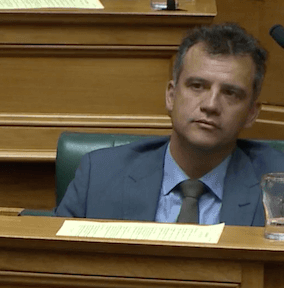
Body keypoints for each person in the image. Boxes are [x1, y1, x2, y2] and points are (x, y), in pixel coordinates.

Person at [56, 23, 284, 226]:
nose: (211, 105)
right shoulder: (100, 176)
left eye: (231, 93)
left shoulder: (279, 185)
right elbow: (55, 265)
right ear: (171, 96)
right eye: (197, 86)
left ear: (251, 114)